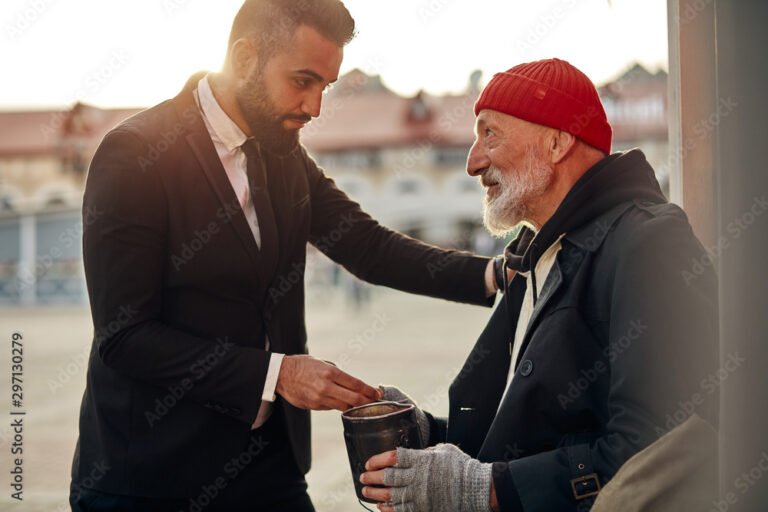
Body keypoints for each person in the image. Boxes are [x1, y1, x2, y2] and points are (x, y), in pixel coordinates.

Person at [69, 1, 501, 511]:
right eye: (303, 81)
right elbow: (125, 337)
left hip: (267, 467)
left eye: (325, 86)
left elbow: (367, 245)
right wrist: (278, 374)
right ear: (245, 57)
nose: (315, 106)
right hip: (151, 476)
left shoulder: (283, 154)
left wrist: (495, 275)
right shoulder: (134, 155)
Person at [361, 58, 718, 511]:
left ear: (556, 142)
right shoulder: (535, 254)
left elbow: (657, 449)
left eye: (489, 133)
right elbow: (520, 436)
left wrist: (484, 490)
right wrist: (424, 433)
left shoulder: (648, 242)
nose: (473, 162)